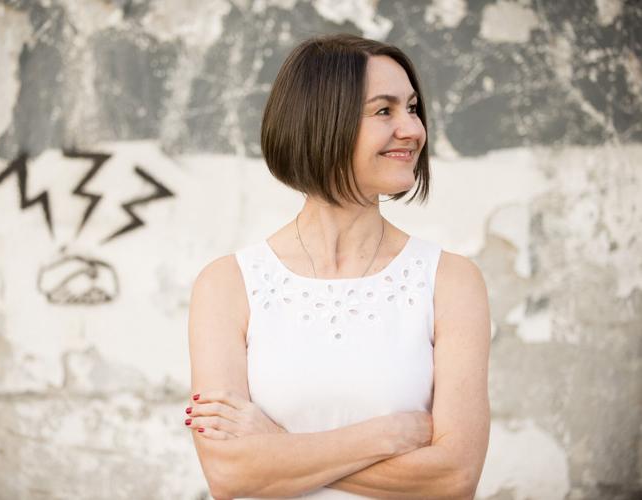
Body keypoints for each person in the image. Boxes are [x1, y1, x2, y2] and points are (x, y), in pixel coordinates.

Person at [185, 33, 491, 499]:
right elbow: (228, 475)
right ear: (321, 123)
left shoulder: (450, 281)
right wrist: (383, 437)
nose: (413, 129)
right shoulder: (227, 285)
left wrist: (275, 449)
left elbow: (454, 477)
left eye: (411, 107)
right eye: (384, 110)